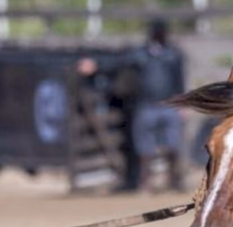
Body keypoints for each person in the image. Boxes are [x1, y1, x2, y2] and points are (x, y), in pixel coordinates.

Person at [78, 18, 187, 192]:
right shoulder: (140, 54)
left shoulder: (173, 54)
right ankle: (145, 182)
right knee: (145, 149)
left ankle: (174, 181)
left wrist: (182, 104)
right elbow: (117, 63)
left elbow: (179, 80)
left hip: (169, 105)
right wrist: (96, 66)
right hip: (146, 105)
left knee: (173, 145)